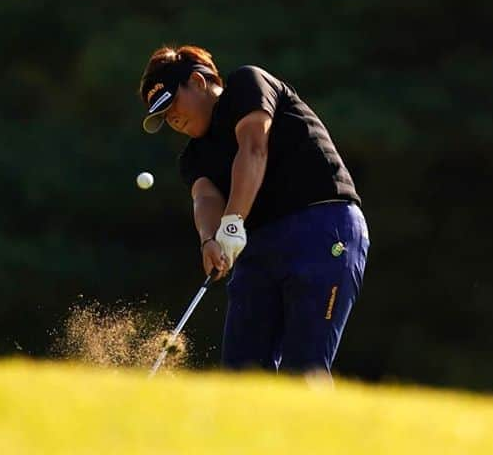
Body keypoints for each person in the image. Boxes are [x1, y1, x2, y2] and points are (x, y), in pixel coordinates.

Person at [137, 45, 369, 378]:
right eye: (163, 116)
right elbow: (205, 197)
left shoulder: (247, 85)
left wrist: (232, 223)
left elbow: (254, 147)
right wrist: (210, 241)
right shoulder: (192, 157)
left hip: (322, 227)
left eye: (172, 103)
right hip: (259, 246)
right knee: (241, 376)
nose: (171, 118)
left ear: (198, 82)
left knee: (303, 370)